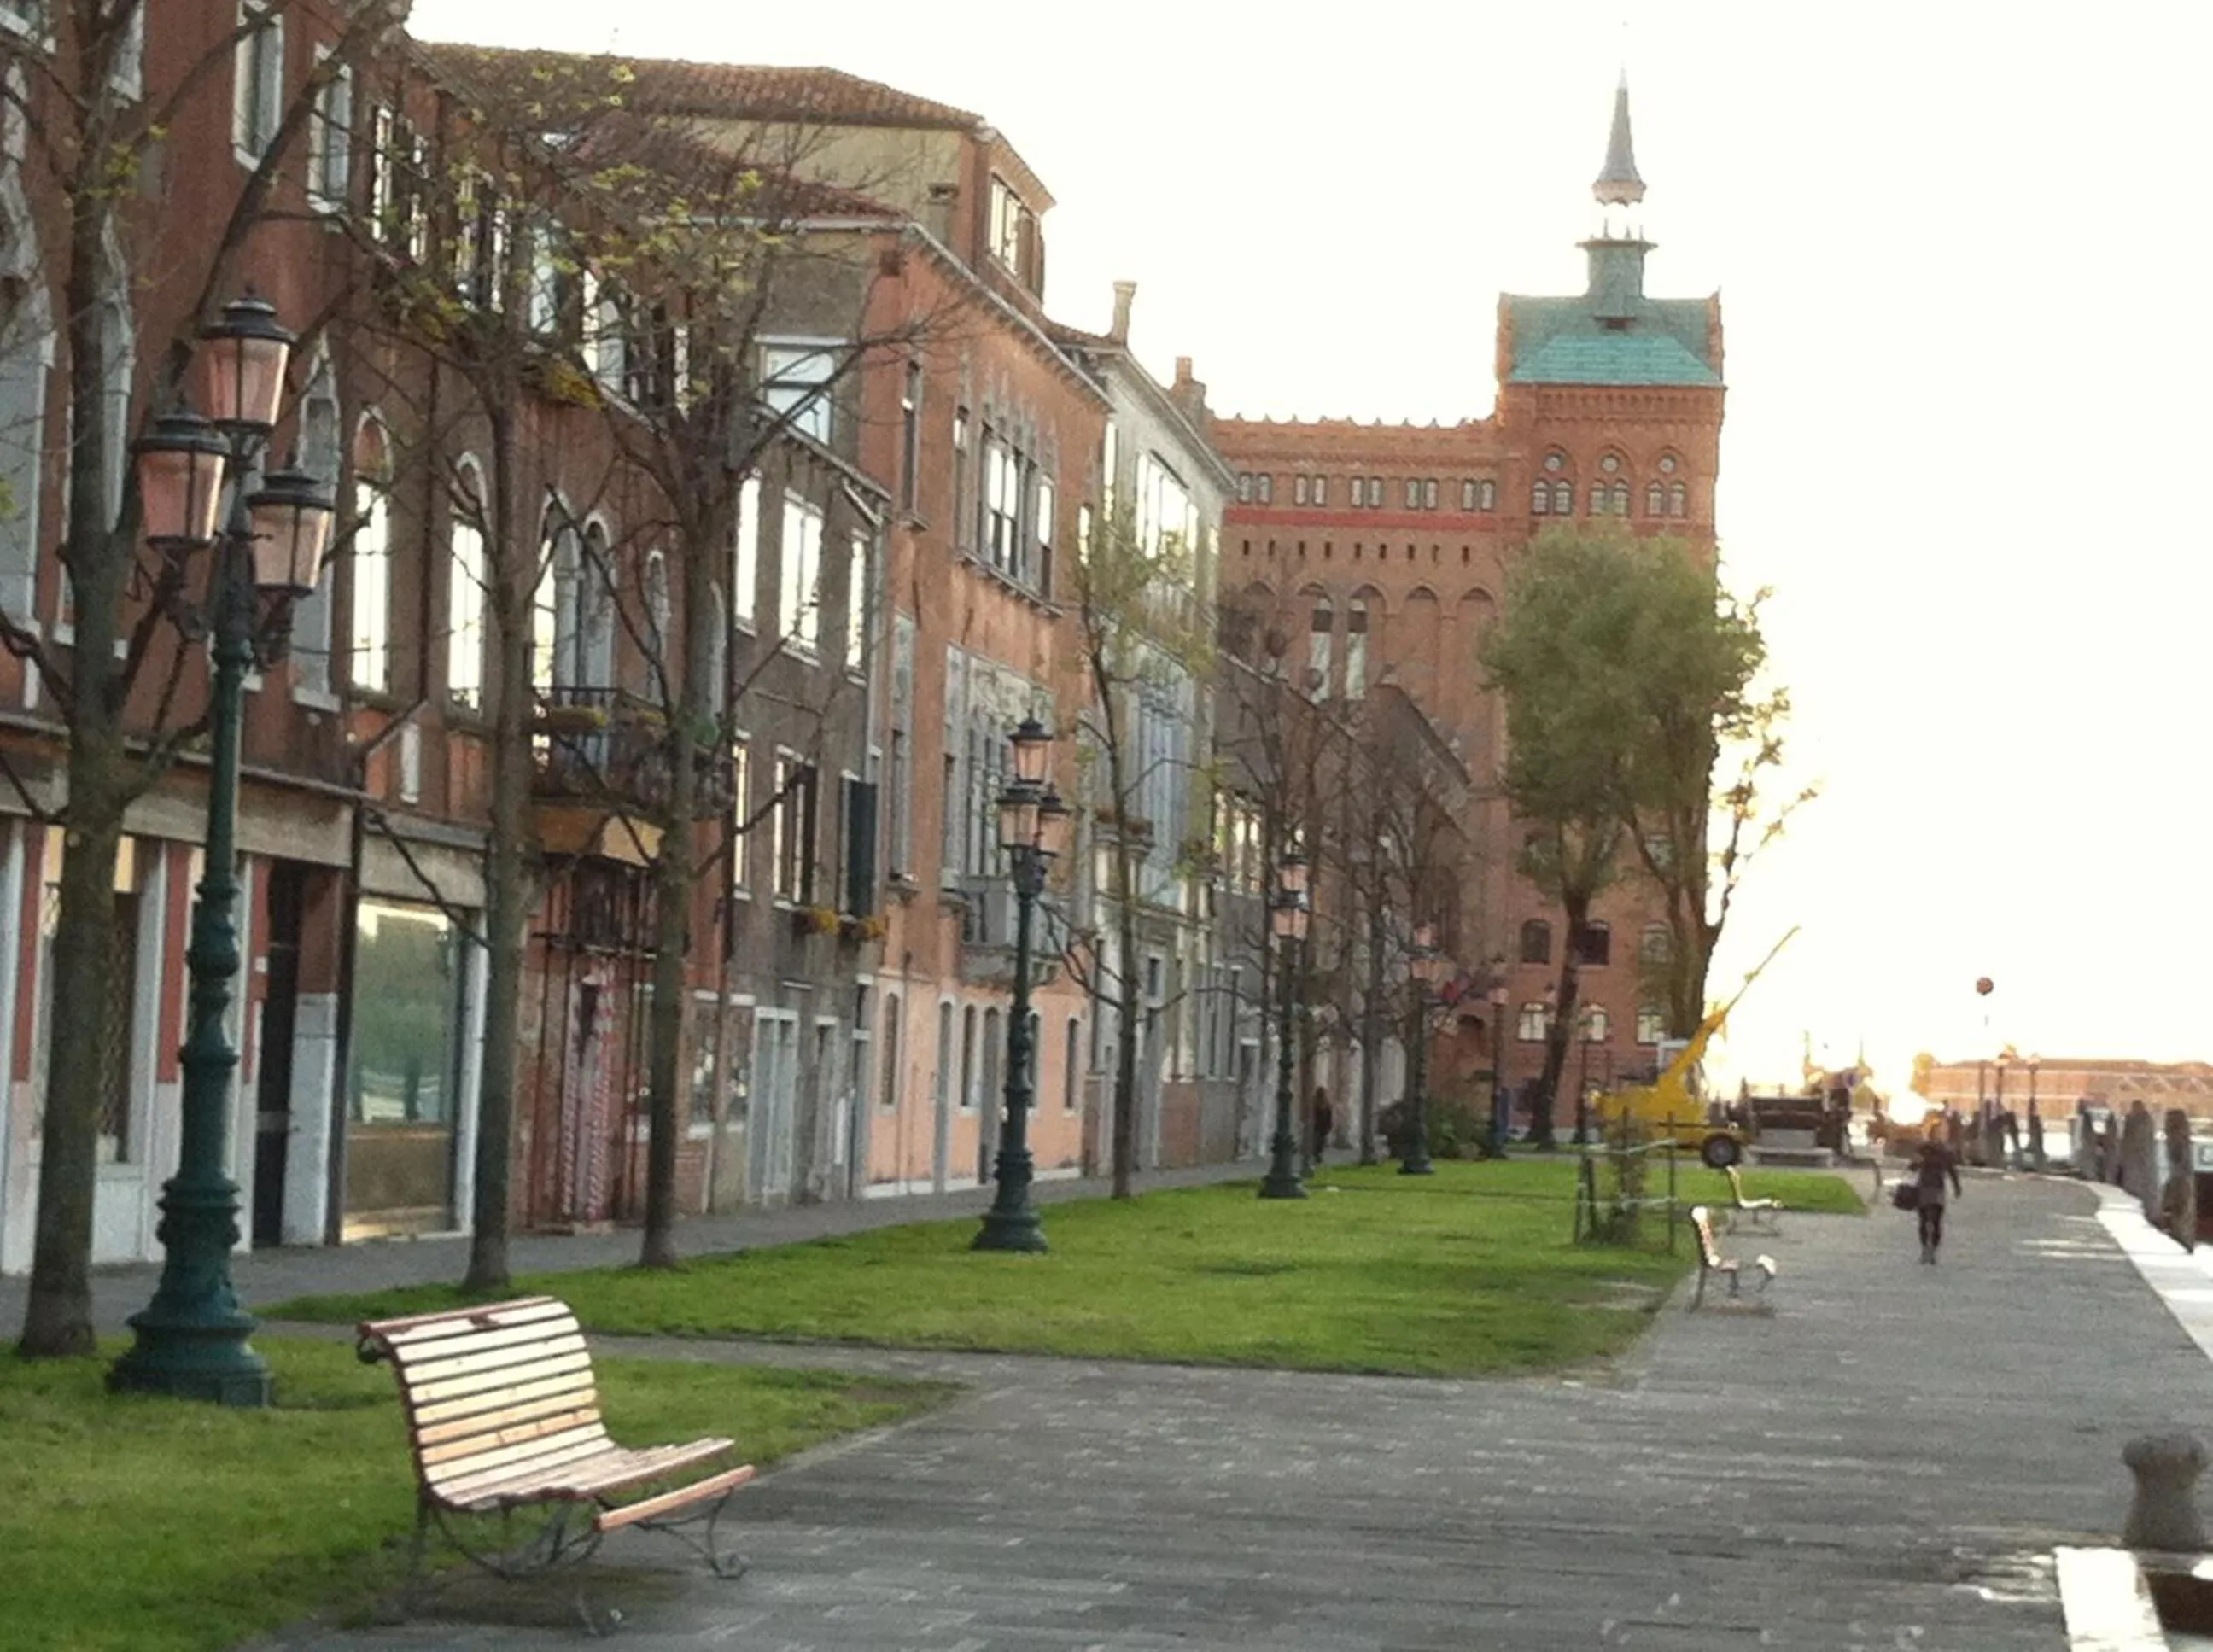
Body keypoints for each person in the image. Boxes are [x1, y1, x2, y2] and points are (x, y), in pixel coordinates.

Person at [1912, 1132, 1963, 1264]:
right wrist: (1957, 1187)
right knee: (1932, 1222)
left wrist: (1957, 1186)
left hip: (1928, 1188)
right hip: (1933, 1189)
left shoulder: (1927, 1151)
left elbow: (1912, 1167)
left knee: (1928, 1222)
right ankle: (1930, 1251)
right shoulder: (1942, 1153)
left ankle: (1928, 1250)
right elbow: (1952, 1171)